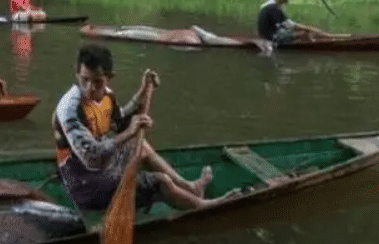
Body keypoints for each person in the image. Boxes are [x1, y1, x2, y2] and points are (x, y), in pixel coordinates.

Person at [52, 43, 240, 212]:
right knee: (160, 181)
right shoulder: (71, 108)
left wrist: (142, 93)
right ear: (77, 74)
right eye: (84, 80)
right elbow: (91, 158)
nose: (90, 88)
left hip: (99, 169)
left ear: (109, 78)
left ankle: (189, 187)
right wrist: (129, 133)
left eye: (97, 82)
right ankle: (204, 207)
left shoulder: (106, 95)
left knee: (140, 146)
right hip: (84, 185)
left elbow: (118, 120)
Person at [257, 0, 341, 44]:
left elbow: (285, 24)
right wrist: (309, 29)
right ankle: (314, 44)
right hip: (272, 37)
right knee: (305, 33)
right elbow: (290, 25)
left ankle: (325, 38)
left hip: (269, 33)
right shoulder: (273, 8)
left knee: (305, 32)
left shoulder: (269, 6)